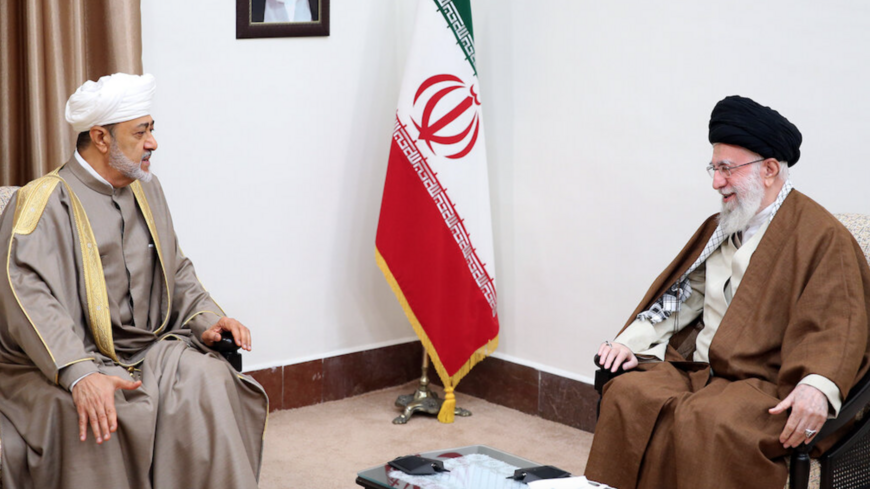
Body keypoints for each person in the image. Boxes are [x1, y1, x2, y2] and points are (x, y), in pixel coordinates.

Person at [584, 95, 870, 489]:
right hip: (705, 372)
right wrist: (634, 341)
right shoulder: (726, 225)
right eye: (713, 168)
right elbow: (682, 296)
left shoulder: (822, 237)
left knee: (711, 422)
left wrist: (816, 387)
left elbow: (839, 323)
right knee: (629, 393)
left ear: (769, 169)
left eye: (726, 169)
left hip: (764, 385)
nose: (716, 182)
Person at [0, 73, 268, 489]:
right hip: (56, 362)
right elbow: (28, 298)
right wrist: (80, 373)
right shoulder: (42, 202)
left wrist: (206, 318)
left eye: (151, 130)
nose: (152, 143)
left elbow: (175, 269)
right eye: (140, 132)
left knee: (211, 380)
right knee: (96, 415)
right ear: (101, 138)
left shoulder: (148, 189)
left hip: (147, 349)